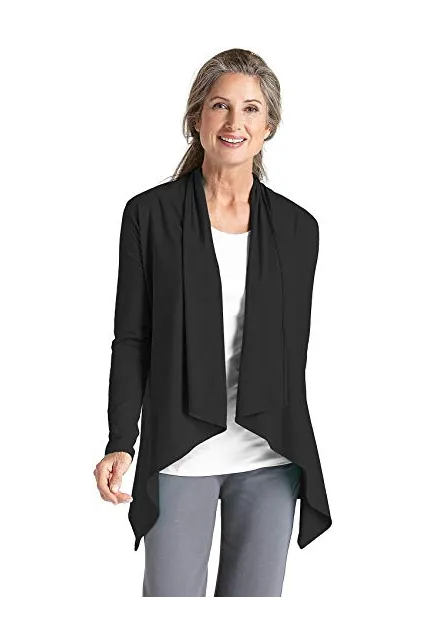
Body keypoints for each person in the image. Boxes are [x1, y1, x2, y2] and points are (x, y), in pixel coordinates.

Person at [93, 48, 332, 600]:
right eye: (220, 106)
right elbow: (132, 339)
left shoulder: (299, 229)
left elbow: (291, 354)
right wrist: (120, 439)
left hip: (269, 455)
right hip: (181, 453)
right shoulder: (149, 216)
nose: (234, 122)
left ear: (268, 126)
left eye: (251, 109)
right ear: (196, 118)